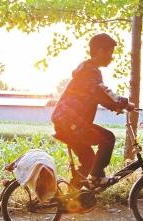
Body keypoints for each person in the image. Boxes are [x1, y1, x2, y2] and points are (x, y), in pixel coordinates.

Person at [51, 33, 135, 189]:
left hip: (67, 122)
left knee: (89, 162)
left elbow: (97, 96)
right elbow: (102, 93)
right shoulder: (90, 71)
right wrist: (124, 104)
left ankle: (71, 200)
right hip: (71, 123)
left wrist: (115, 106)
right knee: (108, 138)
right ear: (101, 51)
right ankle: (97, 178)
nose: (111, 57)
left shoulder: (88, 70)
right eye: (110, 53)